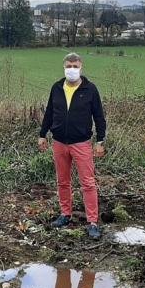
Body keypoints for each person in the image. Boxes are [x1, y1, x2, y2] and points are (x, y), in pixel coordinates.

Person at [38, 52, 107, 240]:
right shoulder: (57, 88)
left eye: (75, 66)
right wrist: (42, 134)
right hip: (59, 142)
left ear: (81, 67)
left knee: (88, 183)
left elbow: (99, 117)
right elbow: (49, 112)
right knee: (62, 181)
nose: (72, 69)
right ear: (64, 67)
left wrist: (100, 140)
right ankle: (65, 214)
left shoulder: (90, 89)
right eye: (68, 66)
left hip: (82, 143)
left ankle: (92, 221)